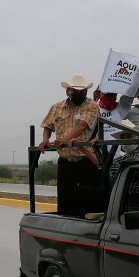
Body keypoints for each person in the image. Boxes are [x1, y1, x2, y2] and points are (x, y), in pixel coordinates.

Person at [39, 74, 102, 216]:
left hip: (85, 161)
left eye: (83, 92)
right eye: (76, 92)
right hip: (66, 163)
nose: (80, 94)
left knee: (89, 202)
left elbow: (82, 125)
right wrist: (45, 139)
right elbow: (48, 125)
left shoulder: (91, 105)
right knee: (66, 203)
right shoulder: (57, 107)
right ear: (68, 92)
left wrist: (64, 140)